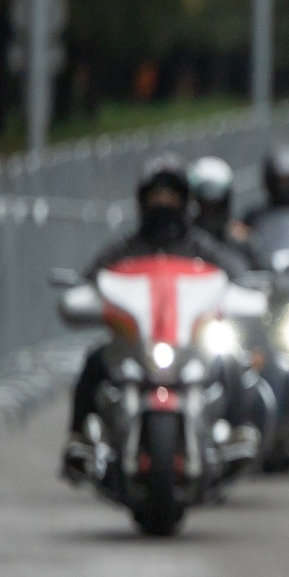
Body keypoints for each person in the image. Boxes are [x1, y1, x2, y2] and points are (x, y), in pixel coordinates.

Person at [67, 157, 242, 427]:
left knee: (231, 362)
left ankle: (238, 430)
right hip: (134, 347)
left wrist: (247, 288)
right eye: (156, 197)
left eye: (170, 197)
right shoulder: (124, 248)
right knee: (95, 363)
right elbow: (91, 279)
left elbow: (236, 277)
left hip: (192, 346)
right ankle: (79, 439)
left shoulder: (201, 248)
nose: (163, 205)